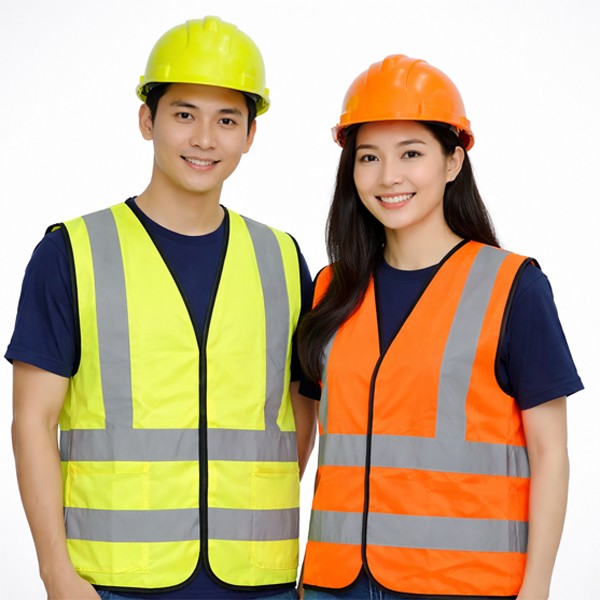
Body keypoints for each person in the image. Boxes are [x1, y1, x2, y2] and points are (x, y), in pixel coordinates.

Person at [8, 16, 317, 600]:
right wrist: (55, 572)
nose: (205, 139)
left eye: (227, 120)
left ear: (250, 134)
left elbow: (301, 408)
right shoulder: (72, 253)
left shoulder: (280, 257)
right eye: (184, 115)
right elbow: (32, 421)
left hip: (259, 581)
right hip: (113, 581)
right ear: (147, 120)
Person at [297, 54, 582, 599]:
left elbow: (551, 454)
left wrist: (537, 590)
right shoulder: (332, 289)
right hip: (335, 583)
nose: (388, 176)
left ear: (453, 162)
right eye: (369, 157)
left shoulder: (513, 287)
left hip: (461, 583)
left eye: (411, 153)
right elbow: (305, 437)